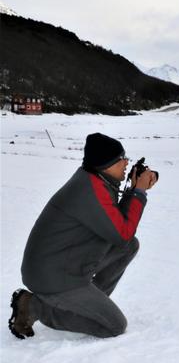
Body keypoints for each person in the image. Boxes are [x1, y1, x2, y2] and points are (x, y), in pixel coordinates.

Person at [8, 133, 157, 339]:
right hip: (52, 276)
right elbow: (122, 233)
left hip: (65, 264)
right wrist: (139, 192)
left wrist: (133, 190)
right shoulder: (89, 189)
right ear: (105, 164)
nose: (126, 162)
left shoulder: (96, 179)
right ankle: (35, 306)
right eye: (120, 159)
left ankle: (88, 303)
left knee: (129, 246)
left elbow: (117, 227)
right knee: (114, 326)